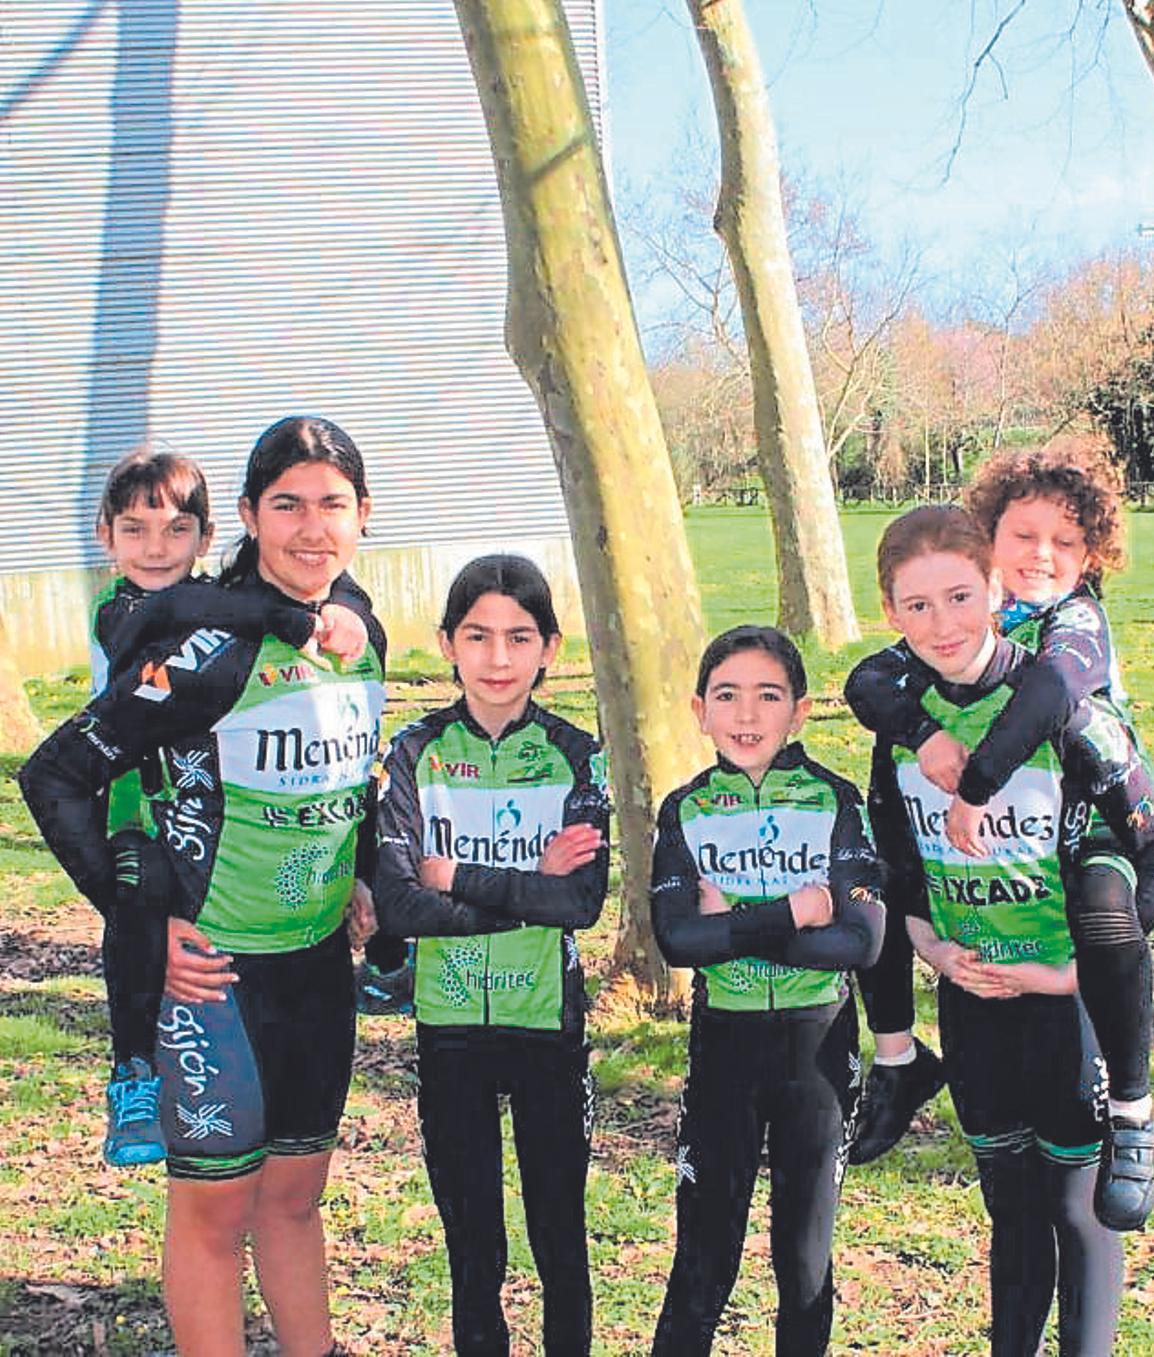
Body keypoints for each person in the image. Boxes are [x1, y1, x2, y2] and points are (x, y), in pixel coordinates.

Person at [20, 415, 385, 1357]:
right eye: (287, 505)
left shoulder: (364, 630)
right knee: (217, 1214)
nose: (312, 528)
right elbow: (56, 775)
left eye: (333, 505)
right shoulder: (205, 645)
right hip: (214, 976)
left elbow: (345, 778)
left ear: (363, 516)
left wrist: (355, 873)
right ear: (251, 520)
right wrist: (139, 918)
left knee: (297, 1200)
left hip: (316, 969)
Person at [862, 504, 1154, 1354]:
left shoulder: (1064, 708)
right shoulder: (903, 727)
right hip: (971, 1010)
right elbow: (900, 865)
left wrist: (1071, 976)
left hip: (1066, 1014)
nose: (943, 623)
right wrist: (931, 946)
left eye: (962, 596)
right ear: (890, 612)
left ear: (998, 587)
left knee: (1080, 1218)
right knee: (1010, 1217)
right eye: (918, 605)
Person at [84, 442, 369, 1168]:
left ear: (207, 537)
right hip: (126, 803)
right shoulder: (122, 610)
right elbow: (190, 606)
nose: (157, 548)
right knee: (136, 897)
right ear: (104, 535)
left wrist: (344, 609)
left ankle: (388, 954)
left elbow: (274, 595)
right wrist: (292, 620)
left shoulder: (216, 602)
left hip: (194, 805)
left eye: (178, 530)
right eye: (135, 530)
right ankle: (133, 1070)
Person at [372, 553, 609, 1357]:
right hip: (448, 1033)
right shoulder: (413, 752)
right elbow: (400, 907)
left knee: (559, 1239)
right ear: (446, 642)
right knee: (474, 1245)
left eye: (519, 636)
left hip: (549, 1028)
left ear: (551, 646)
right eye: (478, 635)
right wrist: (523, 883)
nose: (498, 658)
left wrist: (461, 876)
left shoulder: (579, 754)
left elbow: (578, 901)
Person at [650, 626, 885, 1356]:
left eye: (768, 695)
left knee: (804, 1262)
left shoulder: (835, 798)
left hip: (818, 1053)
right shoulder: (683, 809)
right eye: (727, 695)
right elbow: (679, 940)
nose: (746, 714)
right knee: (703, 1259)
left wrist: (740, 924)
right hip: (725, 1046)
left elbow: (862, 942)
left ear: (800, 711)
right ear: (699, 709)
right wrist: (791, 913)